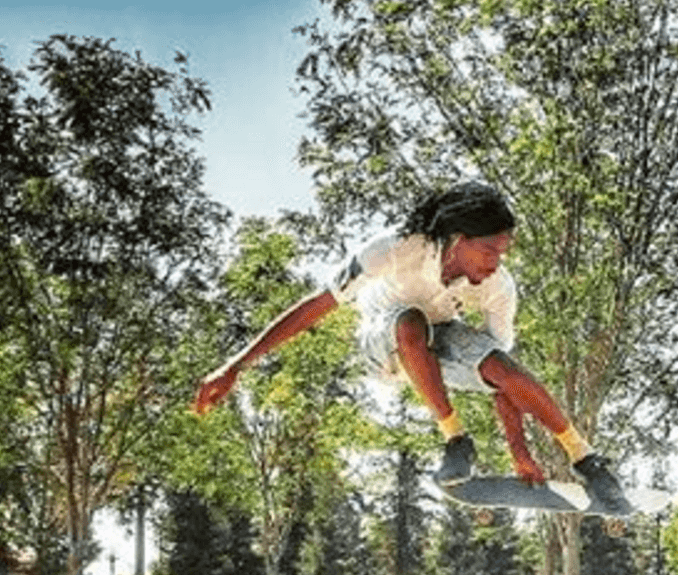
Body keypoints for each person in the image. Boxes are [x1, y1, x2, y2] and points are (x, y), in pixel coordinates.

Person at [194, 180, 627, 510]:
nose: (497, 264)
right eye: (491, 251)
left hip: (443, 340)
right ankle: (455, 439)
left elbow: (504, 384)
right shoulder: (393, 250)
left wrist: (520, 452)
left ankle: (586, 458)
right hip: (383, 344)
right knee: (410, 322)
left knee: (505, 367)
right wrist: (236, 365)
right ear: (459, 241)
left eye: (504, 253)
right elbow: (315, 306)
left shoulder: (498, 287)